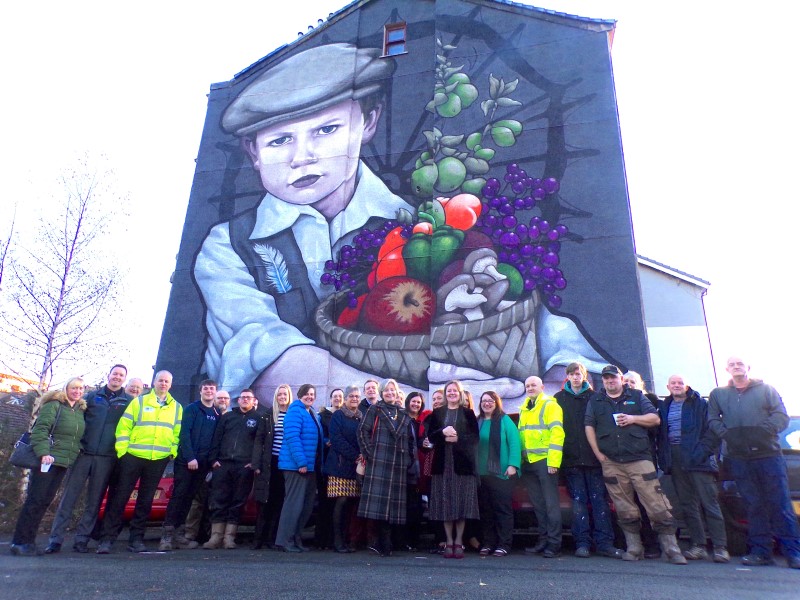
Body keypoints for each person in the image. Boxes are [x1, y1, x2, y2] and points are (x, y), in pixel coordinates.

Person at [194, 43, 414, 400]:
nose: (302, 157)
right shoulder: (229, 246)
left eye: (326, 130)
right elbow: (264, 353)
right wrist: (412, 403)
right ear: (253, 152)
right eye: (280, 140)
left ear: (368, 121)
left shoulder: (418, 225)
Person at [584, 365, 686, 565]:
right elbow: (589, 426)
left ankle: (672, 549)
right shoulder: (595, 400)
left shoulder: (637, 396)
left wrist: (632, 418)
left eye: (613, 378)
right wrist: (598, 454)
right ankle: (634, 547)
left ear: (620, 379)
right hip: (612, 462)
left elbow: (654, 419)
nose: (610, 381)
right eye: (606, 379)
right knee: (624, 508)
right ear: (602, 381)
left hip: (640, 460)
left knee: (657, 505)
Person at [708, 356, 800, 569]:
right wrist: (728, 436)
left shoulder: (766, 390)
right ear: (727, 369)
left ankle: (793, 553)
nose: (736, 366)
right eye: (732, 364)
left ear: (748, 367)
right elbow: (712, 419)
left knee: (780, 504)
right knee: (753, 506)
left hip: (769, 456)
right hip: (739, 458)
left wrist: (761, 432)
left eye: (740, 363)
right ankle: (760, 552)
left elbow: (781, 416)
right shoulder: (718, 394)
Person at [45, 365, 131, 554]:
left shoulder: (129, 402)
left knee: (93, 502)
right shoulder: (91, 397)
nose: (117, 377)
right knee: (69, 498)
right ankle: (55, 539)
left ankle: (82, 539)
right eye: (115, 373)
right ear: (108, 375)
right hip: (83, 454)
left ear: (125, 379)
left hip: (107, 458)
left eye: (121, 375)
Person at [96, 371, 183, 554]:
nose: (163, 384)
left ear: (171, 384)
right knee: (120, 498)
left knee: (145, 501)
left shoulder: (176, 407)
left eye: (167, 381)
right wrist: (123, 451)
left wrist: (172, 452)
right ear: (154, 382)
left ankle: (136, 539)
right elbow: (124, 426)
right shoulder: (139, 402)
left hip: (158, 460)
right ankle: (107, 539)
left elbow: (177, 433)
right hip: (132, 457)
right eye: (160, 380)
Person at [10, 378, 87, 556]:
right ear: (66, 388)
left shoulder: (79, 411)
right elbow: (40, 430)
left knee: (44, 501)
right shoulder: (54, 405)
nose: (77, 391)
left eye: (81, 388)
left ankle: (29, 542)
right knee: (35, 500)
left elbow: (74, 437)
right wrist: (44, 453)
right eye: (74, 388)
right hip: (46, 460)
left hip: (62, 462)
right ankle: (20, 542)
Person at [656, 375, 728, 562]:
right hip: (676, 459)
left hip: (699, 459)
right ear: (668, 386)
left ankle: (720, 547)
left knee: (709, 503)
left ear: (686, 385)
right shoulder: (664, 406)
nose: (677, 386)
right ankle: (699, 546)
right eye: (673, 383)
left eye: (680, 383)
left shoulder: (700, 404)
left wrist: (701, 452)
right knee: (688, 505)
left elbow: (713, 430)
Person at [554, 362, 623, 559]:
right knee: (578, 503)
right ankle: (582, 543)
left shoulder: (597, 398)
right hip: (571, 461)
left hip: (595, 460)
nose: (575, 377)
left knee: (599, 501)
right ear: (567, 377)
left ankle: (604, 543)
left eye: (578, 374)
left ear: (584, 376)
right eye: (572, 374)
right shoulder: (558, 399)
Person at [159, 379, 222, 551]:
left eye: (212, 388)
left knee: (189, 498)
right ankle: (166, 536)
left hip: (202, 465)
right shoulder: (191, 409)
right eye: (206, 388)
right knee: (178, 496)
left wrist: (211, 461)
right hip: (187, 462)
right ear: (200, 391)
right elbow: (184, 434)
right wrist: (190, 458)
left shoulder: (217, 413)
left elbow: (215, 440)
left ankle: (179, 535)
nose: (209, 391)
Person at [357, 379, 416, 557]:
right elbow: (362, 432)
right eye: (387, 390)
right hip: (380, 462)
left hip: (398, 464)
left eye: (393, 390)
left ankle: (388, 542)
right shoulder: (375, 410)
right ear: (382, 393)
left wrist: (408, 460)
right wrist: (370, 454)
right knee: (380, 505)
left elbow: (409, 440)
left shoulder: (402, 413)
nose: (390, 393)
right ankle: (382, 542)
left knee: (393, 505)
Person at [426, 380, 480, 559]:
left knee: (461, 504)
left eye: (455, 391)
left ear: (460, 393)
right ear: (445, 394)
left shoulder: (468, 413)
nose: (452, 393)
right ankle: (449, 541)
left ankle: (459, 541)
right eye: (449, 391)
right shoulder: (438, 413)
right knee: (446, 504)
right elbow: (431, 436)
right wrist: (442, 433)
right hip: (443, 466)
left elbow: (474, 438)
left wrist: (458, 439)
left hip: (462, 466)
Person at [203, 389, 260, 549]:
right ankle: (215, 537)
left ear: (254, 400)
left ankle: (229, 538)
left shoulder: (258, 419)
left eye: (248, 398)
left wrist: (253, 463)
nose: (245, 400)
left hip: (244, 466)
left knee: (238, 502)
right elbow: (216, 438)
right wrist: (213, 460)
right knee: (219, 500)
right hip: (223, 465)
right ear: (239, 400)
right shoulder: (227, 417)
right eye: (243, 398)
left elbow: (259, 443)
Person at [519, 375, 564, 558]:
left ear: (542, 387)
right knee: (539, 505)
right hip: (529, 463)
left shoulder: (550, 405)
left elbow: (557, 433)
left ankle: (554, 544)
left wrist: (553, 462)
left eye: (533, 385)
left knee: (551, 504)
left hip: (545, 461)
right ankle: (543, 541)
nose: (530, 388)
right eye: (527, 385)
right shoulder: (524, 408)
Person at [275, 383, 323, 552]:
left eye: (312, 394)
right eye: (307, 393)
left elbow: (314, 438)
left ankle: (296, 539)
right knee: (293, 505)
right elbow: (292, 437)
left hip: (309, 467)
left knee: (305, 506)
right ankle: (284, 541)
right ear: (300, 395)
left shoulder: (311, 413)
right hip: (296, 467)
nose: (310, 396)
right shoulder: (295, 411)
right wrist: (301, 462)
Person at [184, 389, 231, 546]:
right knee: (197, 501)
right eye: (220, 398)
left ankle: (211, 535)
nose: (223, 400)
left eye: (226, 398)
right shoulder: (208, 415)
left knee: (216, 502)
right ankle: (190, 534)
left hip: (222, 467)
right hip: (204, 464)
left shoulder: (232, 418)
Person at [476, 391, 520, 557]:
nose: (487, 403)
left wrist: (513, 464)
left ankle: (504, 543)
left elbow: (515, 442)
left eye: (490, 401)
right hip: (481, 473)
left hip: (501, 473)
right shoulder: (478, 421)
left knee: (502, 510)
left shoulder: (504, 420)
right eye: (484, 401)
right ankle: (488, 543)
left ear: (496, 403)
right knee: (486, 511)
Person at [324, 384, 363, 553]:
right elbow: (336, 440)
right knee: (341, 502)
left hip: (355, 467)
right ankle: (337, 542)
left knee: (350, 505)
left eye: (356, 396)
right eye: (351, 396)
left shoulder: (361, 416)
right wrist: (356, 455)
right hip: (340, 465)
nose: (354, 399)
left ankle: (347, 540)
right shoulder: (338, 416)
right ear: (345, 399)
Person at [315, 388, 343, 549]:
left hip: (340, 465)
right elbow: (318, 434)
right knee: (324, 503)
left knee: (336, 504)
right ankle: (321, 540)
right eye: (335, 396)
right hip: (326, 462)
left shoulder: (346, 415)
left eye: (340, 396)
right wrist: (326, 441)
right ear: (330, 399)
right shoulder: (322, 416)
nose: (338, 399)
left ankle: (334, 539)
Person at [250, 397, 275, 549]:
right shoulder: (267, 415)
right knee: (263, 503)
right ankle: (258, 539)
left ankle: (271, 540)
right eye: (280, 395)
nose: (283, 398)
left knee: (276, 503)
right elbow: (258, 441)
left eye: (285, 395)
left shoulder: (291, 414)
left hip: (282, 465)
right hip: (266, 464)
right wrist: (256, 463)